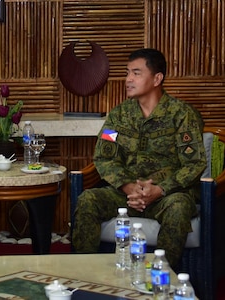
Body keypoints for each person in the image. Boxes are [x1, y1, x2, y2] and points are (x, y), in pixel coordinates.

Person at [72, 48, 206, 268]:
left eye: (136, 73)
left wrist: (160, 190)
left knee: (179, 207)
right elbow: (104, 158)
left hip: (167, 196)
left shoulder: (182, 115)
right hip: (126, 195)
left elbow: (194, 163)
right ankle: (86, 275)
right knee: (88, 200)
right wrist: (129, 187)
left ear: (157, 78)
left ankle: (160, 277)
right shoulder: (118, 116)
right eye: (127, 73)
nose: (128, 80)